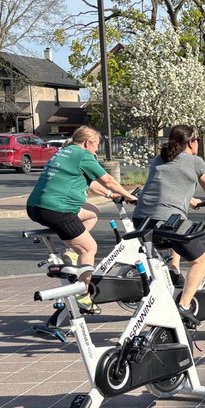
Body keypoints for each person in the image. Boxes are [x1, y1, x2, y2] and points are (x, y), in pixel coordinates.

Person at [133, 125, 205, 324]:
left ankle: (173, 273)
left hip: (141, 220)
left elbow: (163, 186)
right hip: (167, 220)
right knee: (201, 259)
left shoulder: (160, 159)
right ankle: (184, 305)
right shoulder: (196, 162)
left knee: (178, 237)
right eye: (197, 140)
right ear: (191, 142)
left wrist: (190, 199)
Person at [26, 126, 137, 309]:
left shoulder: (65, 152)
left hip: (36, 207)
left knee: (92, 213)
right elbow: (108, 180)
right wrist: (129, 196)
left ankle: (71, 251)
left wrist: (110, 195)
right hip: (57, 210)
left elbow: (91, 182)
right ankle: (83, 295)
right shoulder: (83, 155)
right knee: (89, 248)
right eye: (96, 145)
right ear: (87, 143)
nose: (96, 150)